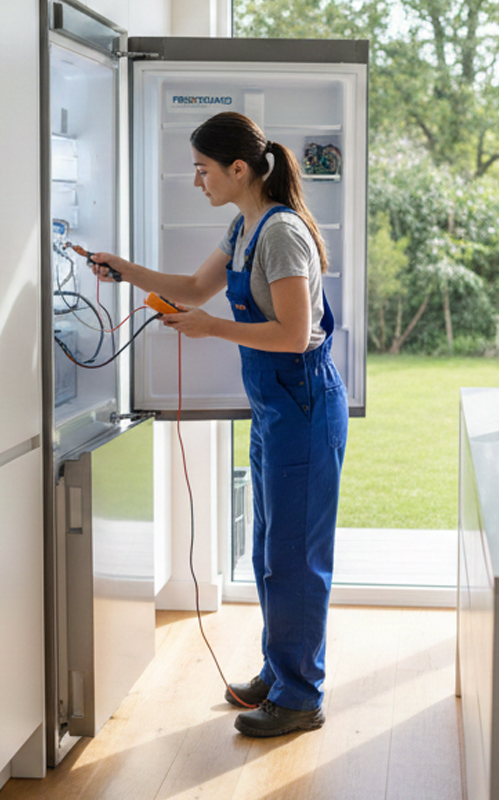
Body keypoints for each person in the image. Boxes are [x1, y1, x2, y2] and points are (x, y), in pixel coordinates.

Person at [86, 111, 349, 738]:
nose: (196, 178)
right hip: (276, 409)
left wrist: (211, 330)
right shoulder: (245, 226)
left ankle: (300, 697)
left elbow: (292, 334)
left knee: (294, 558)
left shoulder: (281, 234)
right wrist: (124, 270)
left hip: (304, 406)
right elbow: (192, 289)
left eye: (203, 168)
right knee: (266, 550)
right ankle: (280, 672)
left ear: (238, 169)